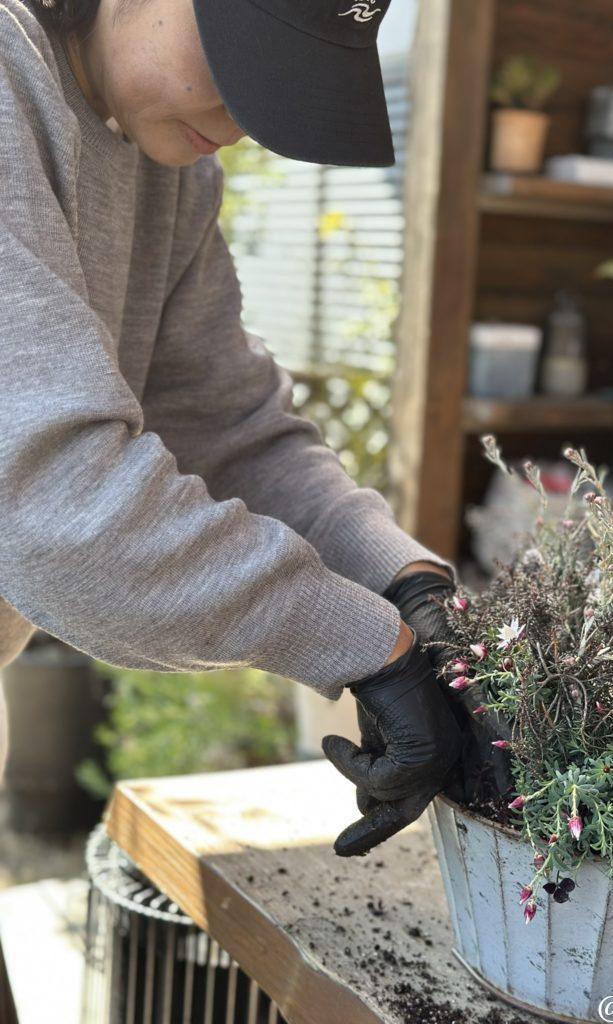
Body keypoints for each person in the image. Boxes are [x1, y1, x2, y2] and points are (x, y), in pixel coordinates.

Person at [0, 0, 465, 856]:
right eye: (243, 61)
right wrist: (370, 647)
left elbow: (231, 434)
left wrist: (406, 586)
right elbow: (48, 506)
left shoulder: (166, 169)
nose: (247, 119)